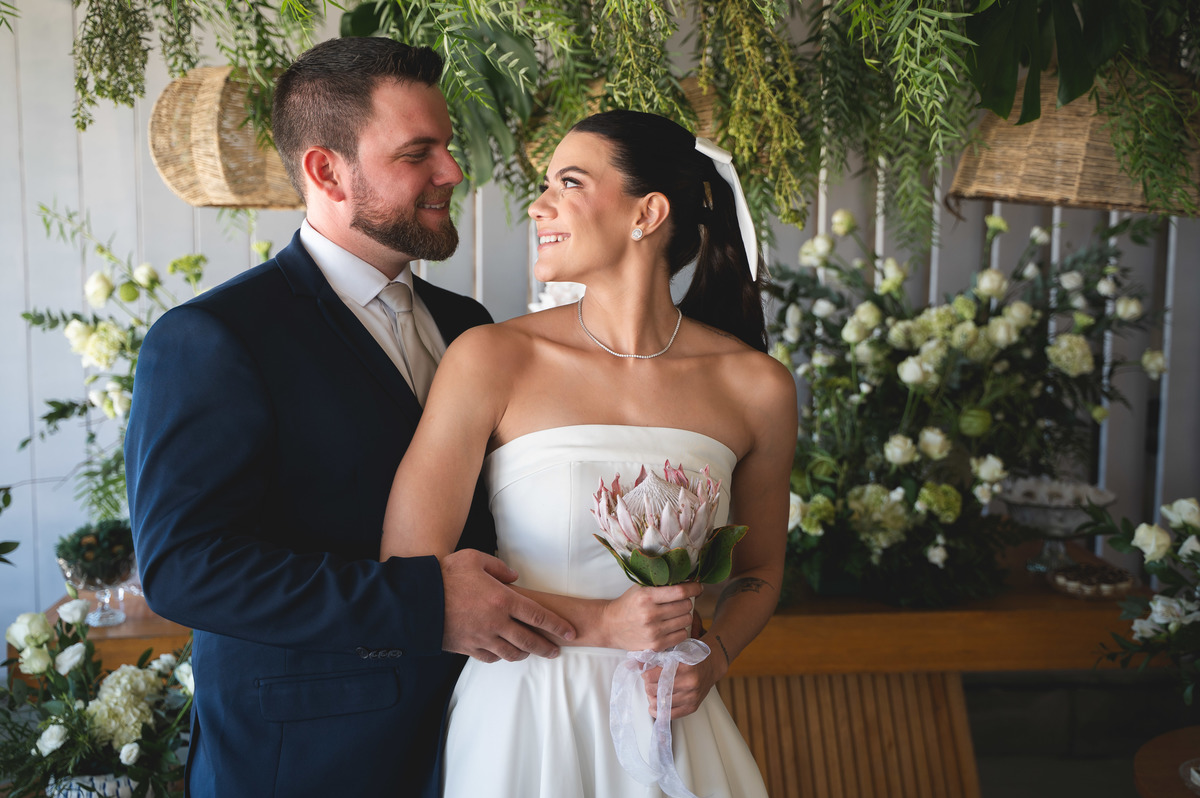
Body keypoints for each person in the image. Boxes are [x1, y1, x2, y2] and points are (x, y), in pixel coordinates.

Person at [124, 37, 573, 798]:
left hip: (491, 733)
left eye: (450, 147)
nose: (453, 173)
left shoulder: (469, 324)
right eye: (418, 153)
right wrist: (423, 606)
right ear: (326, 170)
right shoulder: (214, 337)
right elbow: (184, 568)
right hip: (307, 758)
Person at [381, 110, 798, 798]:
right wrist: (603, 624)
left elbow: (759, 572)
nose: (538, 207)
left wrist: (715, 659)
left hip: (670, 719)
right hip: (522, 721)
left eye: (567, 183)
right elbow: (410, 566)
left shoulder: (757, 387)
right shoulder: (492, 358)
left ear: (647, 213)